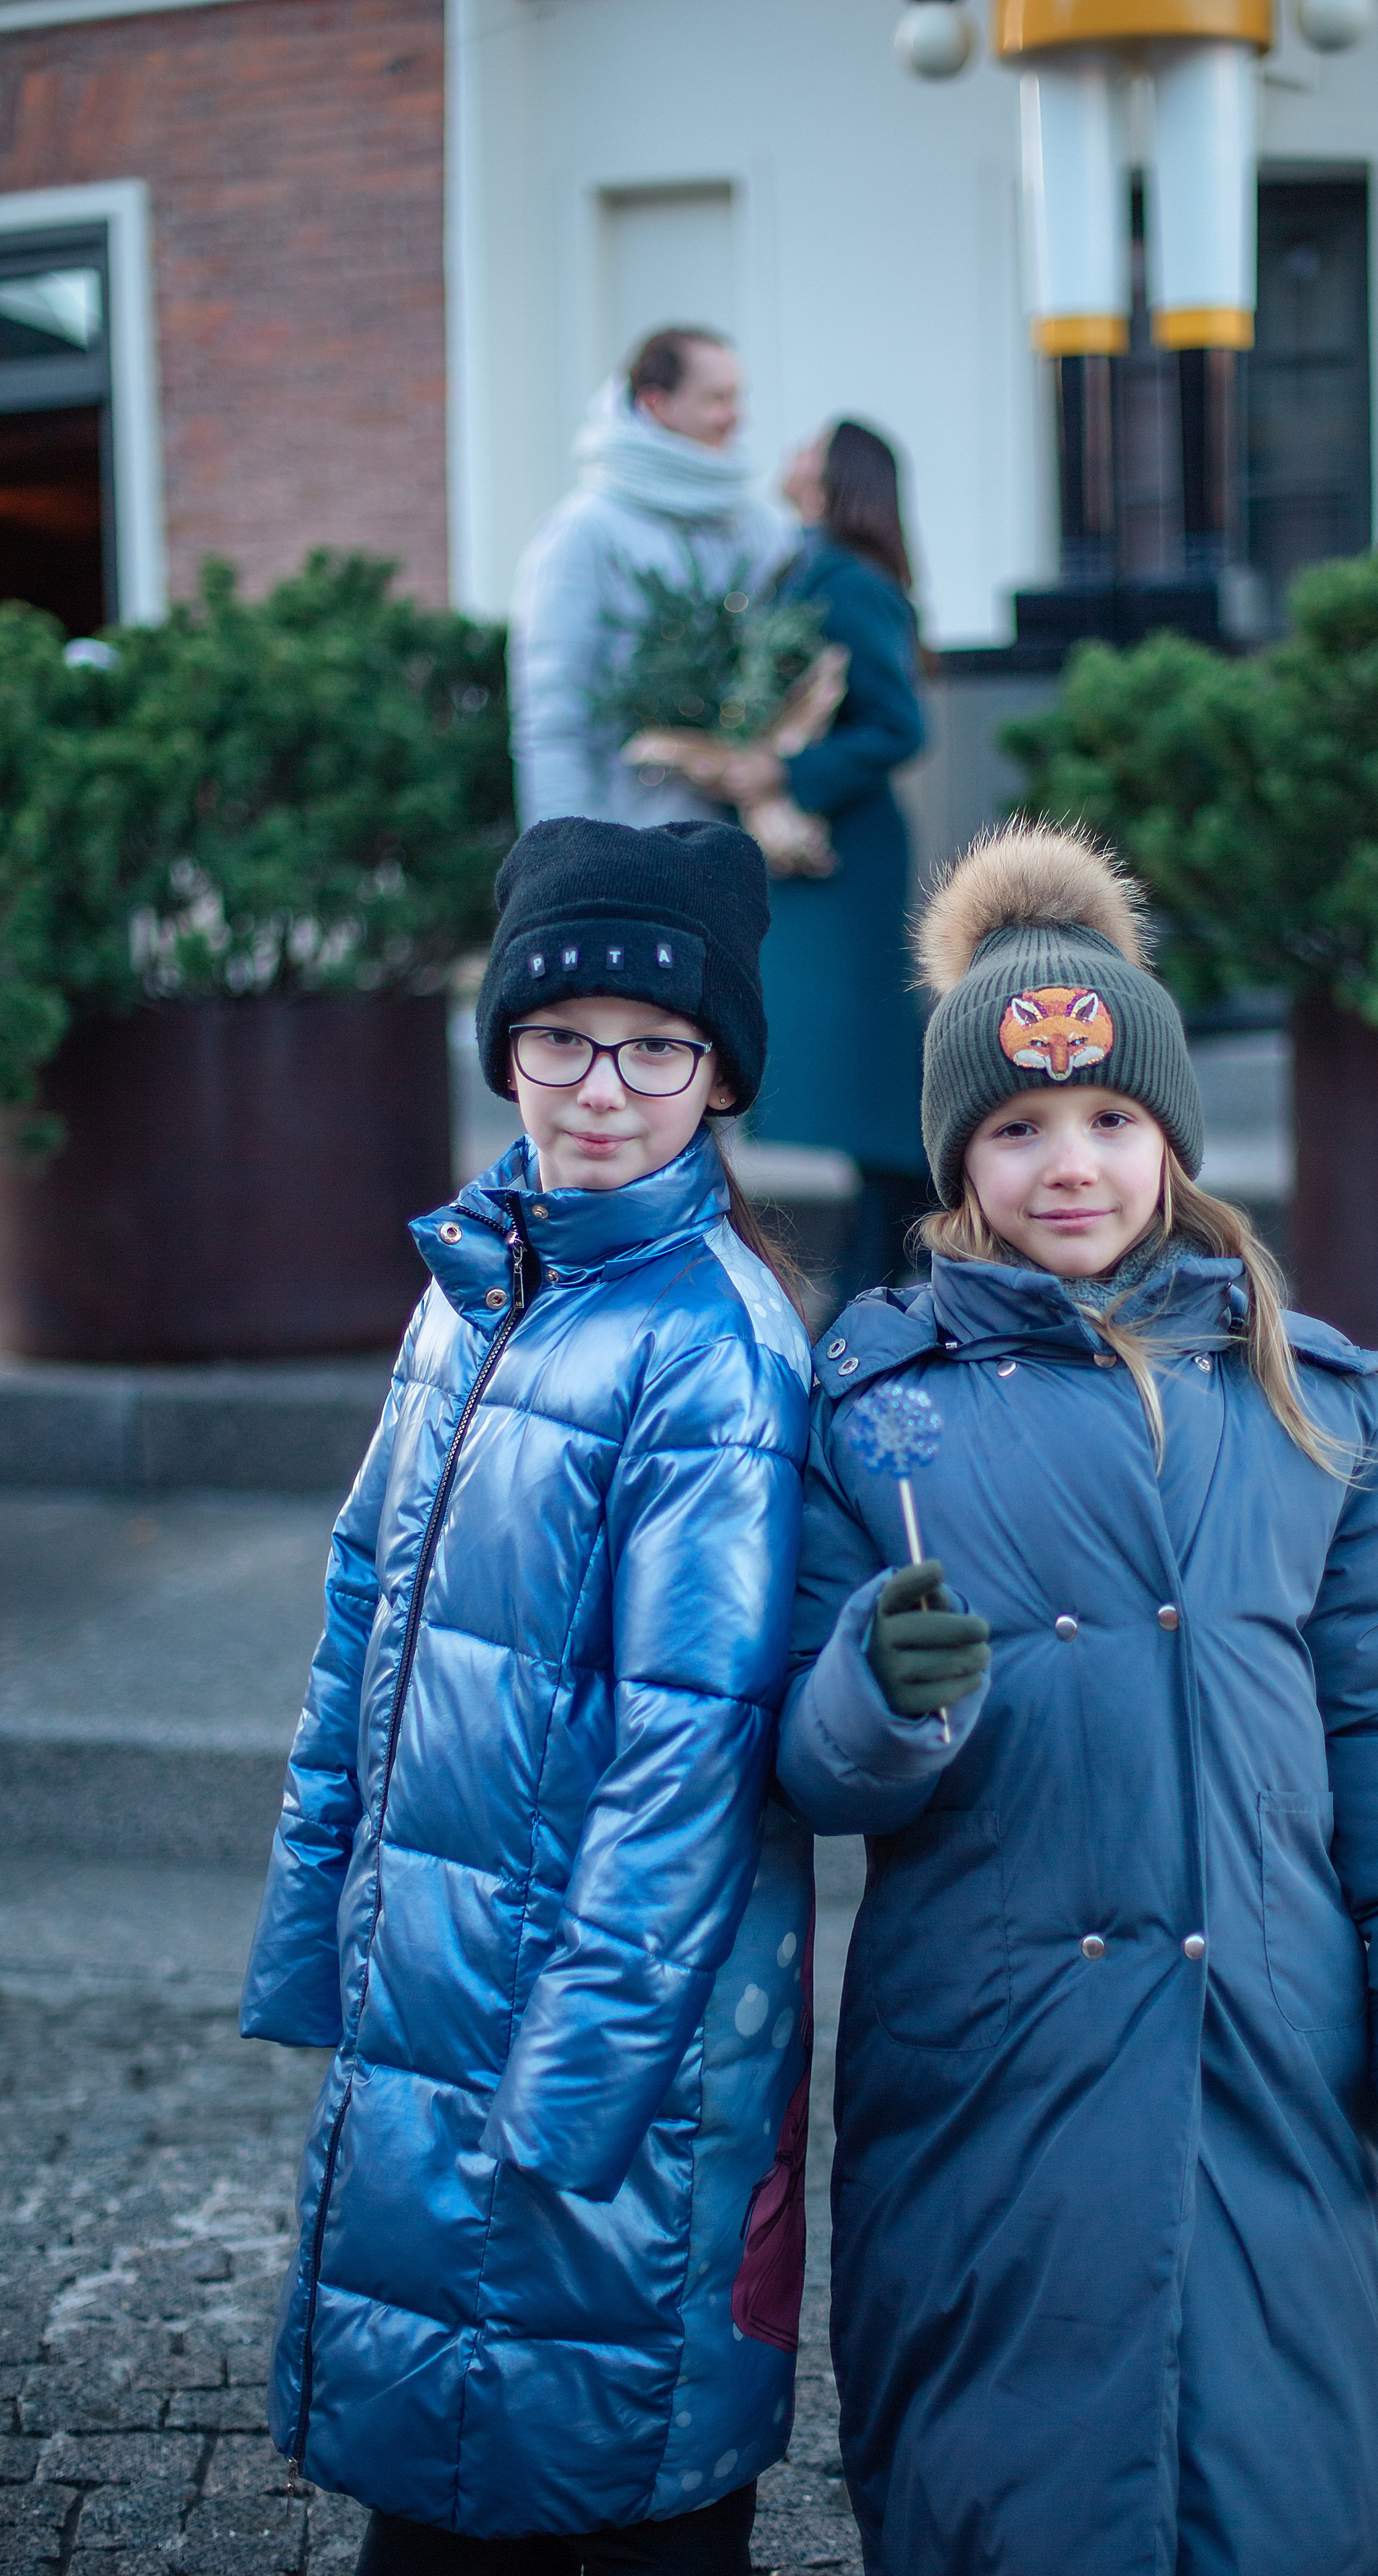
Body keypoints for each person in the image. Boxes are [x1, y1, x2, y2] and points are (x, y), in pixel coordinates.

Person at [774, 824, 1378, 2575]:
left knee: (1276, 2464)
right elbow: (811, 1764)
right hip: (991, 2057)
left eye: (1111, 1121)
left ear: (1171, 1140)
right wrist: (875, 1702)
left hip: (1268, 2038)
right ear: (959, 1158)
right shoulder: (877, 1407)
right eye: (1019, 1129)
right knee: (1010, 2482)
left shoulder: (1320, 1405)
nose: (1071, 1165)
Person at [240, 816, 815, 2571]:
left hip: (600, 2055)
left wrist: (570, 2095)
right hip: (440, 1987)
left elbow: (687, 1756)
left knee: (622, 2475)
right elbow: (367, 1611)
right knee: (434, 2476)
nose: (601, 1087)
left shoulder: (715, 1351)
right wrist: (314, 1924)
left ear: (718, 1077)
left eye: (658, 1047)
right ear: (507, 1052)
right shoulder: (474, 1287)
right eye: (560, 1039)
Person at [701, 420, 929, 1295]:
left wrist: (785, 770)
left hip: (846, 855)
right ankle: (890, 1255)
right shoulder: (801, 567)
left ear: (838, 476)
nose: (789, 453)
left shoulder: (848, 580)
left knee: (864, 1058)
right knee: (842, 1059)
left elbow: (900, 724)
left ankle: (889, 1257)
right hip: (806, 853)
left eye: (809, 446)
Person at [509, 327, 790, 830]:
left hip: (756, 846)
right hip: (631, 843)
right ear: (657, 403)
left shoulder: (760, 526)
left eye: (738, 397)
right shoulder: (585, 532)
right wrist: (567, 859)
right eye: (716, 399)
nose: (737, 417)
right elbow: (554, 719)